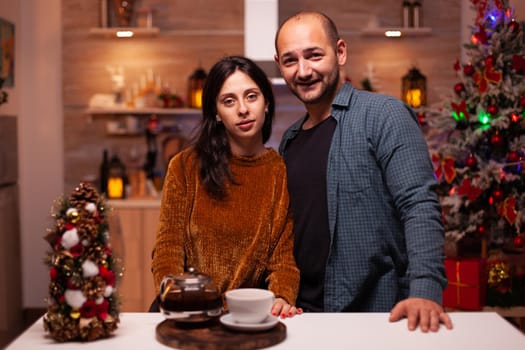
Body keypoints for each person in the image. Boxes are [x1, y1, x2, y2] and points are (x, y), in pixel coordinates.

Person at [274, 11, 453, 331]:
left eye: (314, 55)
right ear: (279, 65)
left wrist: (425, 290)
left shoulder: (384, 115)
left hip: (378, 316)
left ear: (340, 52)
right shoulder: (289, 140)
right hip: (301, 318)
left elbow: (419, 204)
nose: (303, 70)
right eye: (290, 60)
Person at [151, 55, 301, 318]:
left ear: (266, 102)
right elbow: (168, 247)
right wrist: (175, 297)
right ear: (217, 113)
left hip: (245, 315)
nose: (243, 109)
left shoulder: (279, 171)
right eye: (229, 101)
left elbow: (283, 260)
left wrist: (281, 296)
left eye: (251, 96)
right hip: (186, 310)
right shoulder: (185, 166)